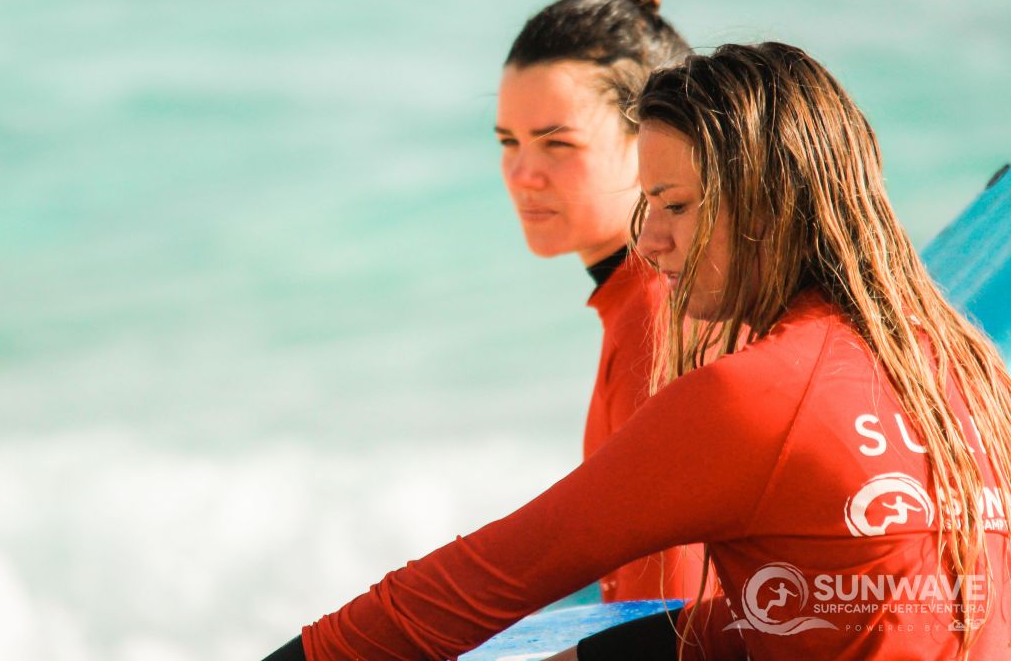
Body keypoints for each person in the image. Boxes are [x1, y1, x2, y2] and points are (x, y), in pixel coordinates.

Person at [263, 42, 1011, 660]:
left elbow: (480, 583)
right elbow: (853, 608)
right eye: (648, 205)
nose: (650, 242)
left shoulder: (755, 395)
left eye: (676, 206)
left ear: (769, 202)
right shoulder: (974, 373)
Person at [496, 0, 707, 603]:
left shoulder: (659, 314)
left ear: (653, 143)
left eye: (556, 144)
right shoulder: (650, 295)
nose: (522, 173)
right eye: (508, 142)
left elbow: (668, 610)